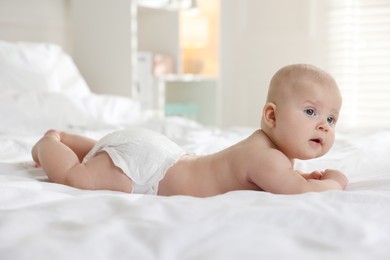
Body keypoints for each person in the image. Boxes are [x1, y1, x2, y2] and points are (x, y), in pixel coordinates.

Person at [31, 64, 348, 197]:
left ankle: (71, 140)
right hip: (148, 174)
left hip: (162, 153)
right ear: (271, 115)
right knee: (76, 176)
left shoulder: (266, 152)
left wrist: (302, 176)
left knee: (105, 155)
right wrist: (335, 181)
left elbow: (283, 182)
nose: (324, 125)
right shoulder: (268, 160)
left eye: (332, 119)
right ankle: (50, 143)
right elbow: (300, 193)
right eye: (310, 111)